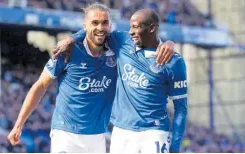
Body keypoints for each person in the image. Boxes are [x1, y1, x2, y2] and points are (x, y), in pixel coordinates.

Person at [7, 3, 174, 153]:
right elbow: (41, 85)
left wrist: (169, 44)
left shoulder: (118, 49)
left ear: (110, 25)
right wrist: (19, 123)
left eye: (105, 23)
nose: (100, 27)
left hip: (97, 137)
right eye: (94, 23)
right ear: (84, 25)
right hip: (66, 135)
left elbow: (147, 39)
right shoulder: (68, 52)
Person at [55, 7, 187, 154]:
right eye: (130, 27)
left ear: (151, 28)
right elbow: (97, 32)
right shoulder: (123, 42)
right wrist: (73, 38)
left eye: (136, 27)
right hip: (121, 132)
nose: (130, 31)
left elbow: (181, 108)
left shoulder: (174, 62)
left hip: (154, 133)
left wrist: (174, 149)